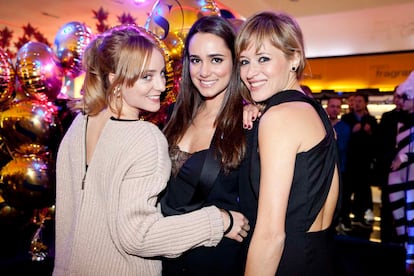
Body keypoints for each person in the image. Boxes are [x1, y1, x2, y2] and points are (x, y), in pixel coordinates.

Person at [53, 25, 249, 276]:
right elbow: (139, 235)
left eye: (161, 74)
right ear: (114, 79)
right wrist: (218, 221)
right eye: (147, 76)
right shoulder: (146, 134)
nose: (160, 85)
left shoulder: (80, 123)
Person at [235, 11, 340, 275]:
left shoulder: (279, 117)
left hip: (284, 262)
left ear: (294, 59)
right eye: (244, 61)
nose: (250, 72)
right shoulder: (314, 111)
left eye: (263, 58)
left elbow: (271, 235)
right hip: (321, 256)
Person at [159, 16, 250, 276]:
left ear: (235, 62)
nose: (204, 71)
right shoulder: (174, 116)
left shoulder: (247, 126)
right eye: (196, 60)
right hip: (164, 256)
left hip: (214, 262)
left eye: (216, 59)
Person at [387, 72, 414, 275]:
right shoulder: (401, 121)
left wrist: (403, 158)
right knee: (402, 219)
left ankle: (410, 258)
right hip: (399, 179)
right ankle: (407, 255)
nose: (401, 101)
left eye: (405, 97)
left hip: (409, 178)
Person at [341, 93, 378, 228]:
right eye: (355, 101)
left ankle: (359, 216)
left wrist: (370, 133)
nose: (357, 104)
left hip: (364, 162)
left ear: (365, 103)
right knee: (347, 192)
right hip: (350, 162)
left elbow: (377, 141)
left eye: (360, 101)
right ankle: (345, 219)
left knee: (362, 192)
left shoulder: (371, 120)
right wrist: (352, 131)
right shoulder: (346, 119)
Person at [376, 87, 403, 243]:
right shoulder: (388, 117)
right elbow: (380, 144)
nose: (399, 100)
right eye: (397, 96)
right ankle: (386, 240)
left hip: (408, 170)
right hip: (389, 168)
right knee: (387, 206)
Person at [326, 97, 352, 232]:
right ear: (327, 107)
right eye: (332, 106)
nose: (335, 109)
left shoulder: (345, 127)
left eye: (337, 107)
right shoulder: (320, 122)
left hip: (339, 169)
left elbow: (341, 148)